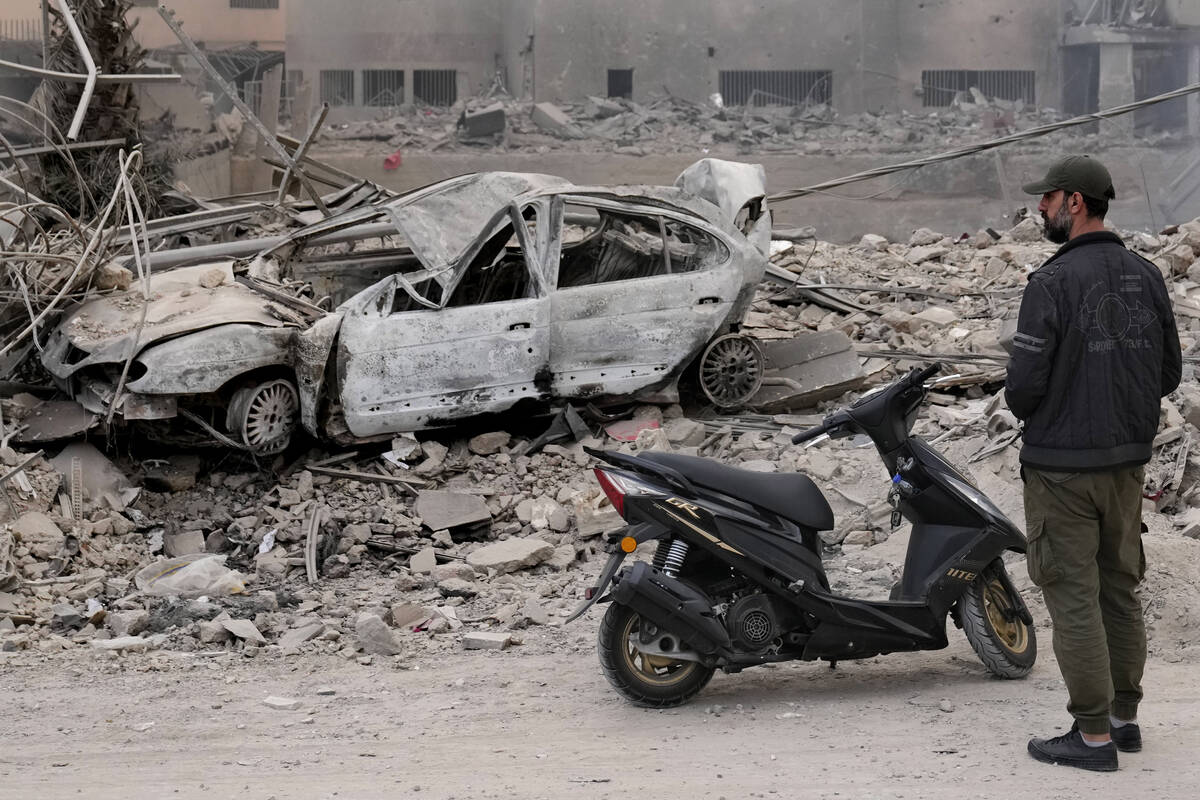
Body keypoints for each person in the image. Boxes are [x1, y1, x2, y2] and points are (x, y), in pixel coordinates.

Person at [1006, 154, 1182, 771]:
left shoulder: (1050, 284)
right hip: (1126, 465)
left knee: (1073, 595)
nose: (1041, 209)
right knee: (1120, 589)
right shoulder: (1147, 275)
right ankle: (1122, 720)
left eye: (1049, 199)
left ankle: (1092, 738)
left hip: (1061, 469)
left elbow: (1023, 389)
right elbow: (1169, 374)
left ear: (1075, 202)